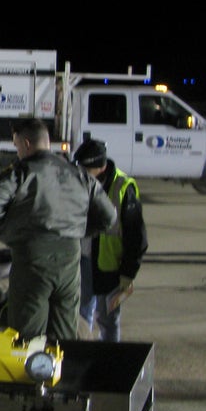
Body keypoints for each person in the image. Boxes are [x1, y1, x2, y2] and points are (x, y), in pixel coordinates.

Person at [0, 120, 117, 343]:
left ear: (27, 143)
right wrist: (78, 230)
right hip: (70, 259)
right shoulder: (79, 174)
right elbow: (109, 217)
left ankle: (30, 376)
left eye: (17, 146)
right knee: (65, 332)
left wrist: (9, 227)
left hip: (33, 257)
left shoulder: (23, 172)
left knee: (28, 331)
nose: (18, 152)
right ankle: (62, 374)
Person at [72, 139, 148, 342]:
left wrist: (128, 273)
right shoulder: (78, 182)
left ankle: (110, 361)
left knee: (108, 321)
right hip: (82, 261)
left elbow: (136, 236)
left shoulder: (123, 187)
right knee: (80, 318)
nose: (82, 173)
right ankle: (80, 357)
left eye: (86, 169)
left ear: (101, 167)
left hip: (110, 266)